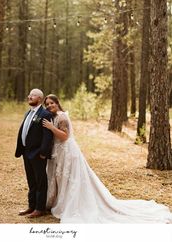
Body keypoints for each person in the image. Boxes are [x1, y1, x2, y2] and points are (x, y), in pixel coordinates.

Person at [42, 94, 172, 224]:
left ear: (57, 103)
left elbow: (65, 136)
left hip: (68, 153)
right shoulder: (54, 116)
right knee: (64, 179)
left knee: (71, 179)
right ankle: (62, 202)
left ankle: (72, 205)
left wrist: (51, 128)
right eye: (47, 104)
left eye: (51, 103)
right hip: (60, 152)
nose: (49, 106)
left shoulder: (62, 117)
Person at [15, 89, 53, 218]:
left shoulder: (45, 114)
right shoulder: (28, 113)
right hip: (27, 153)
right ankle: (31, 206)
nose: (29, 97)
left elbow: (48, 136)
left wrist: (43, 153)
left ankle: (39, 208)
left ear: (40, 98)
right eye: (29, 95)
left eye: (33, 95)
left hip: (38, 154)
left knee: (40, 181)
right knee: (31, 181)